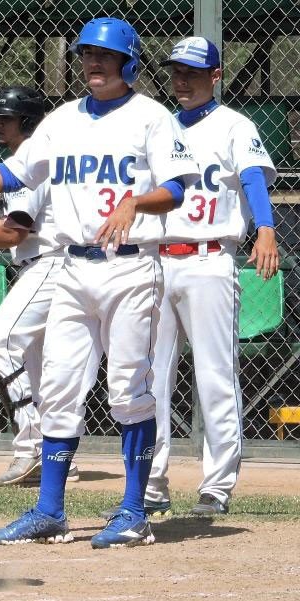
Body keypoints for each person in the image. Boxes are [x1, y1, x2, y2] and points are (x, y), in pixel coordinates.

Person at [0, 17, 199, 549]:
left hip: (131, 267)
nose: (94, 63)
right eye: (87, 55)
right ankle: (49, 509)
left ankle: (134, 509)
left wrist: (136, 201)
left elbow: (178, 188)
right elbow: (14, 175)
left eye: (105, 57)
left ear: (127, 62)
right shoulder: (61, 120)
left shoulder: (151, 117)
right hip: (70, 267)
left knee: (129, 388)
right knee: (59, 387)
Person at [142, 37, 279, 517]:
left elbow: (252, 180)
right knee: (149, 379)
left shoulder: (234, 125)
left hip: (209, 257)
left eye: (193, 72)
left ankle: (216, 485)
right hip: (158, 259)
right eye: (176, 71)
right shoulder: (157, 126)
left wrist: (265, 228)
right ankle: (150, 483)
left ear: (215, 76)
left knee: (215, 376)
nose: (182, 80)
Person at [0, 86, 79, 487]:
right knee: (42, 372)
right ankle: (54, 458)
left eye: (8, 117)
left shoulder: (40, 160)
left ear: (30, 121)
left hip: (51, 264)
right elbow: (0, 229)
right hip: (41, 266)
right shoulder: (21, 162)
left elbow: (11, 235)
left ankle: (30, 443)